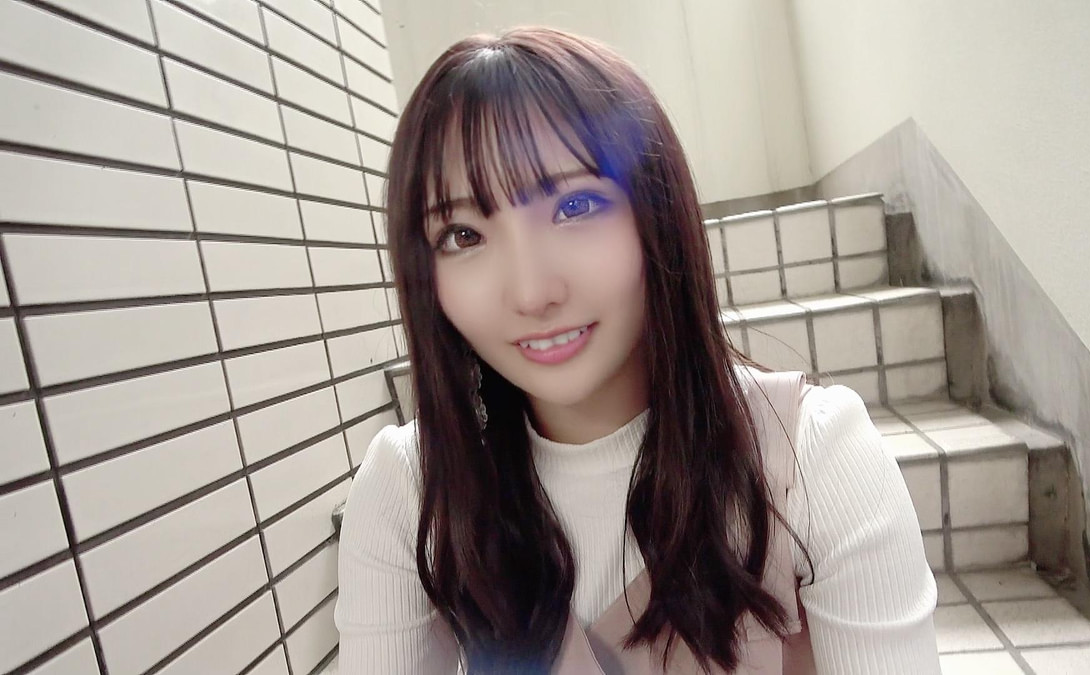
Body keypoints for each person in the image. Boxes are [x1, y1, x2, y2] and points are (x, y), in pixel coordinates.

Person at [334, 26, 939, 674]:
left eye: (575, 205)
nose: (532, 292)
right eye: (463, 234)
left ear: (657, 213)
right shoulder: (411, 489)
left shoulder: (813, 457)